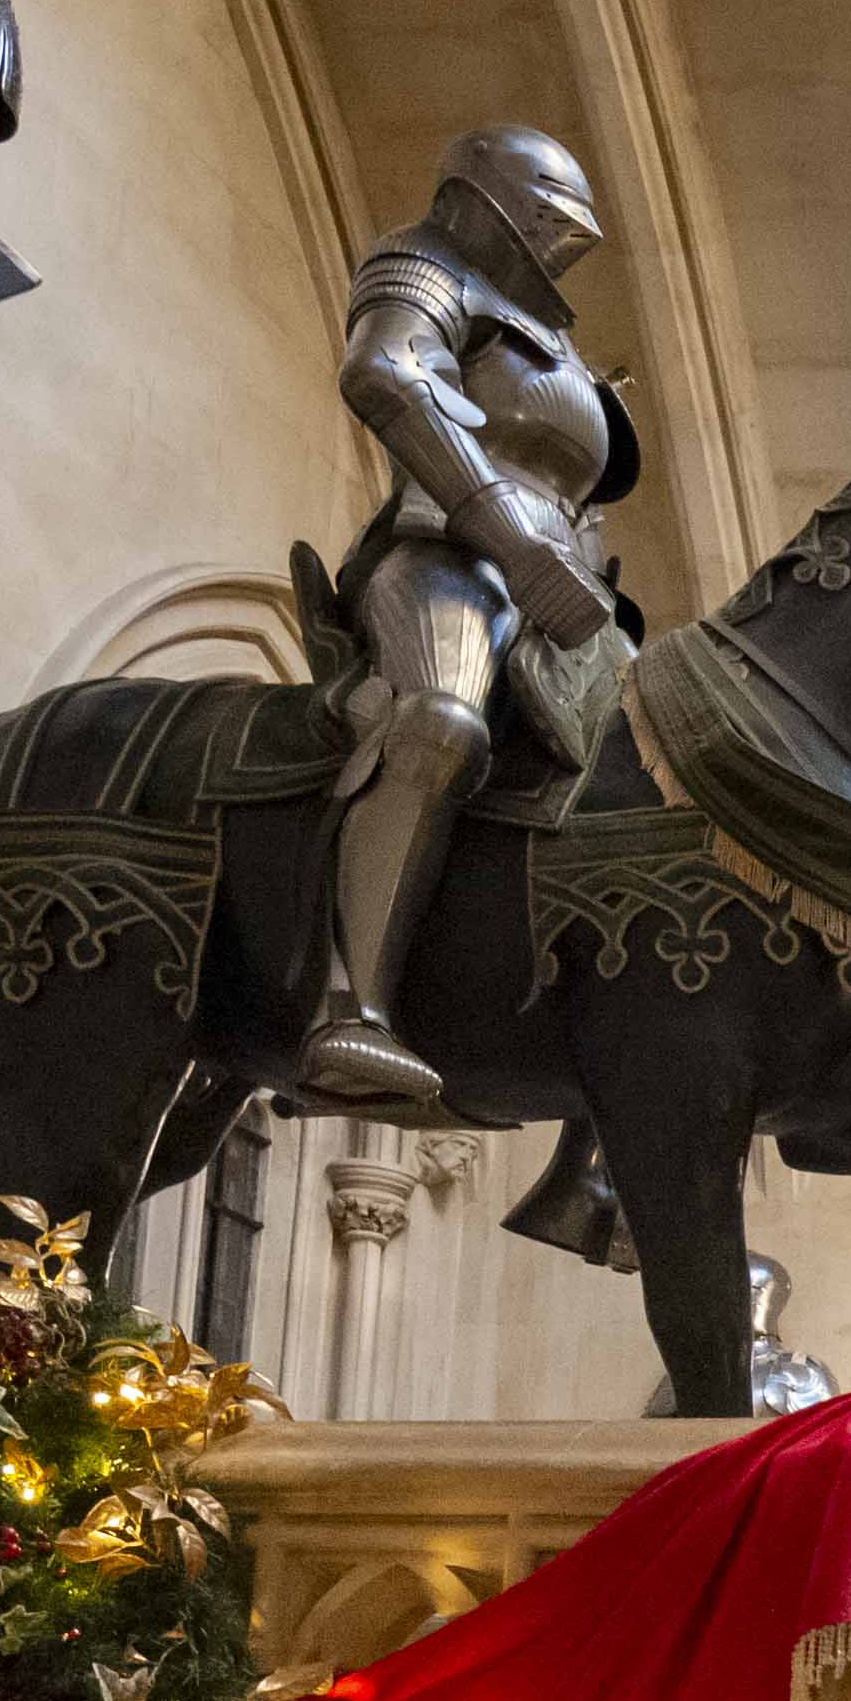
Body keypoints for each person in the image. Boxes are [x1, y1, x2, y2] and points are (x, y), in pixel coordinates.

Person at [298, 123, 641, 1111]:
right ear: (483, 202)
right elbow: (387, 374)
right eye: (547, 222)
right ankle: (349, 1013)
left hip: (568, 608)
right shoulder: (425, 261)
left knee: (660, 817)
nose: (561, 244)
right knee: (441, 724)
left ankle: (606, 1145)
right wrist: (507, 534)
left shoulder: (559, 343)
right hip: (444, 559)